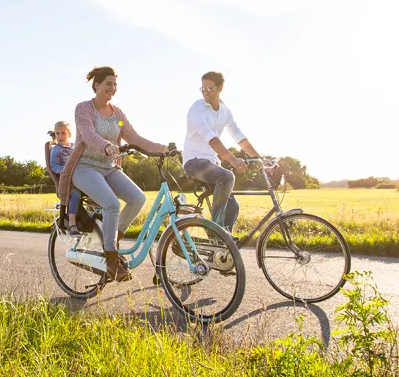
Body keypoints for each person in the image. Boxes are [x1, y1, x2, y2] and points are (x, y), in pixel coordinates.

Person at [56, 66, 168, 281]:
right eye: (108, 83)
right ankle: (111, 260)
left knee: (137, 198)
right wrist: (107, 146)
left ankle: (113, 238)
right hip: (84, 167)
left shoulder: (117, 114)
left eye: (115, 84)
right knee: (112, 204)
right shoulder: (84, 109)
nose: (113, 88)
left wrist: (160, 147)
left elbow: (133, 137)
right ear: (96, 85)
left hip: (108, 168)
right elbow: (88, 135)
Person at [183, 71, 259, 232]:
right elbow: (211, 138)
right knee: (227, 176)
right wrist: (232, 159)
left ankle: (220, 248)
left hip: (211, 164)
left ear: (220, 88)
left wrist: (258, 158)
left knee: (233, 205)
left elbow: (237, 135)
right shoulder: (197, 109)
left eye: (210, 89)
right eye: (203, 89)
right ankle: (218, 234)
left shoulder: (225, 111)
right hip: (194, 162)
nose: (206, 93)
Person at [48, 120, 82, 234]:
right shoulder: (56, 150)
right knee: (76, 194)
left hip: (79, 175)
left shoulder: (74, 147)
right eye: (57, 133)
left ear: (69, 134)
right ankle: (71, 221)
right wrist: (64, 171)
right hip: (67, 180)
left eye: (63, 133)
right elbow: (53, 165)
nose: (60, 136)